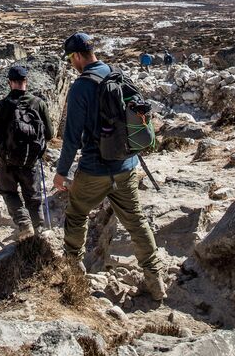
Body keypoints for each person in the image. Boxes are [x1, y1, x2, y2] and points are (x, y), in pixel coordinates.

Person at [55, 32, 168, 301]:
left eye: (71, 58)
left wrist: (61, 172)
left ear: (79, 56)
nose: (72, 63)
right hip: (126, 165)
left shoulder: (81, 86)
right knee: (136, 221)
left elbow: (71, 137)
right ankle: (155, 279)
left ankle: (73, 270)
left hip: (94, 168)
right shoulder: (117, 74)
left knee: (76, 213)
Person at [0, 65, 54, 239]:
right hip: (31, 160)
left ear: (9, 83)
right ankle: (40, 230)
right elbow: (49, 134)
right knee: (33, 196)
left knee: (8, 192)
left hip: (8, 160)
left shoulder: (3, 105)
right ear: (26, 82)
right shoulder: (38, 103)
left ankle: (24, 223)